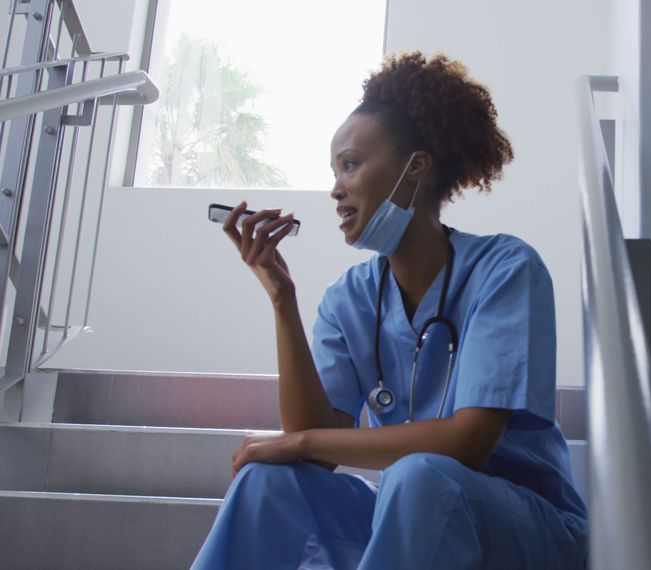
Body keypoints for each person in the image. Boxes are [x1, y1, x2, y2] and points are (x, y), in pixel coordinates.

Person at [192, 52, 587, 569]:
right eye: (333, 171)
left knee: (418, 475)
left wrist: (303, 441)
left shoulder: (506, 268)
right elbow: (319, 450)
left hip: (525, 531)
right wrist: (282, 299)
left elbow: (467, 444)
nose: (335, 188)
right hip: (413, 520)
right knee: (270, 480)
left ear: (415, 168)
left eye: (351, 165)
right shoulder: (348, 299)